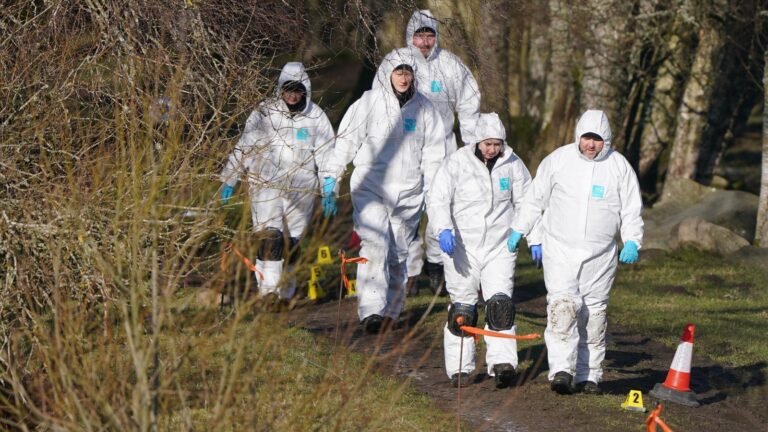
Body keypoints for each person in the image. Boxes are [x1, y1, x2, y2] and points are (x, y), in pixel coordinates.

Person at [508, 109, 644, 395]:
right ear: (578, 136)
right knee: (563, 308)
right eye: (586, 138)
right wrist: (519, 229)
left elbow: (632, 209)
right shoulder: (558, 161)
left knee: (594, 316)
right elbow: (535, 199)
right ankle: (561, 370)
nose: (591, 145)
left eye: (597, 139)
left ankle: (589, 374)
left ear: (605, 140)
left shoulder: (619, 167)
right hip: (560, 250)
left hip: (600, 255)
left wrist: (632, 240)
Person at [330, 52, 446, 334]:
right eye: (398, 72)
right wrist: (331, 179)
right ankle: (371, 310)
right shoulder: (369, 103)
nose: (404, 78)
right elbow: (346, 141)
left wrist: (435, 197)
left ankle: (391, 312)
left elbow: (434, 158)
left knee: (398, 253)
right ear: (387, 74)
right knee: (375, 243)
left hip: (408, 193)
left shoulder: (426, 110)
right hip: (371, 186)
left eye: (408, 73)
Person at [373, 9, 481, 296]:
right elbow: (377, 104)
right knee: (404, 210)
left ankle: (437, 267)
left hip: (442, 146)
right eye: (419, 35)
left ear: (437, 36)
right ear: (410, 35)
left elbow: (469, 107)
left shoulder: (451, 66)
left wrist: (472, 147)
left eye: (429, 35)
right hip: (403, 146)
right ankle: (408, 271)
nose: (424, 42)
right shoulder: (395, 63)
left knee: (440, 207)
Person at [427, 113, 532, 388]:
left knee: (500, 304)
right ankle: (460, 367)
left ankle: (502, 362)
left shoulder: (513, 164)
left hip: (499, 245)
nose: (491, 149)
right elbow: (438, 199)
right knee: (463, 308)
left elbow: (528, 202)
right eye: (487, 143)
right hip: (462, 246)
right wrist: (443, 229)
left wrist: (524, 233)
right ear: (476, 141)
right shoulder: (456, 163)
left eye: (497, 144)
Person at [220, 62, 337, 304]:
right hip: (266, 184)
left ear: (306, 89)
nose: (292, 95)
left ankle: (285, 293)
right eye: (288, 89)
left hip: (302, 189)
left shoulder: (316, 117)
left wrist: (330, 186)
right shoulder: (264, 113)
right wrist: (229, 178)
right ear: (280, 89)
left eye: (298, 89)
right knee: (269, 237)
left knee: (290, 244)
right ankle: (269, 292)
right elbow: (245, 147)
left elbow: (328, 154)